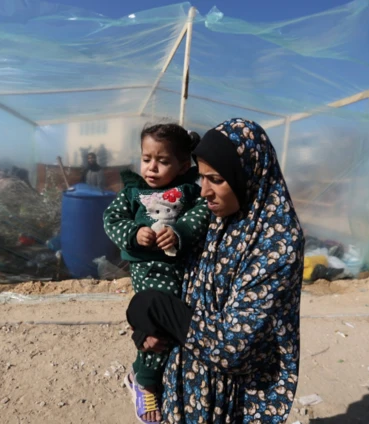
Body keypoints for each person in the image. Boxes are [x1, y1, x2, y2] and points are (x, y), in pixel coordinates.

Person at [126, 118, 305, 423]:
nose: (205, 191)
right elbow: (182, 281)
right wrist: (150, 327)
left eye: (217, 179)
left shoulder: (277, 242)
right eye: (202, 178)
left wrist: (161, 310)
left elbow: (233, 346)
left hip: (231, 399)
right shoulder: (219, 218)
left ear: (247, 175)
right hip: (187, 380)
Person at [103, 123, 210, 423]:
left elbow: (200, 215)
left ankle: (160, 375)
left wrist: (179, 232)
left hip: (182, 270)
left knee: (175, 322)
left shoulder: (190, 190)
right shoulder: (132, 192)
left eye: (163, 161)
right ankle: (145, 381)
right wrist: (134, 232)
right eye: (146, 158)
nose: (152, 167)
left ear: (182, 164)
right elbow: (110, 218)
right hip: (149, 269)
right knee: (157, 324)